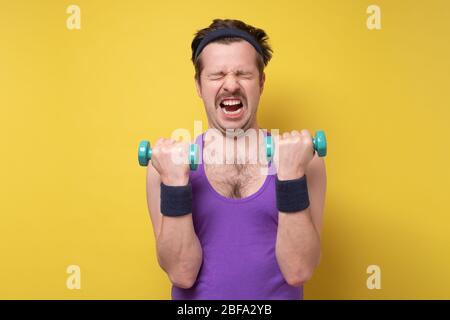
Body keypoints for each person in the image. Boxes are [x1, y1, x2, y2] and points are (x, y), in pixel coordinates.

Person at [146, 19, 327, 300]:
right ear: (198, 85)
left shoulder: (305, 162)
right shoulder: (165, 169)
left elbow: (299, 270)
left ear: (261, 82)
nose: (231, 85)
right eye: (217, 75)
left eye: (243, 74)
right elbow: (182, 273)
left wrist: (290, 176)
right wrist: (174, 183)